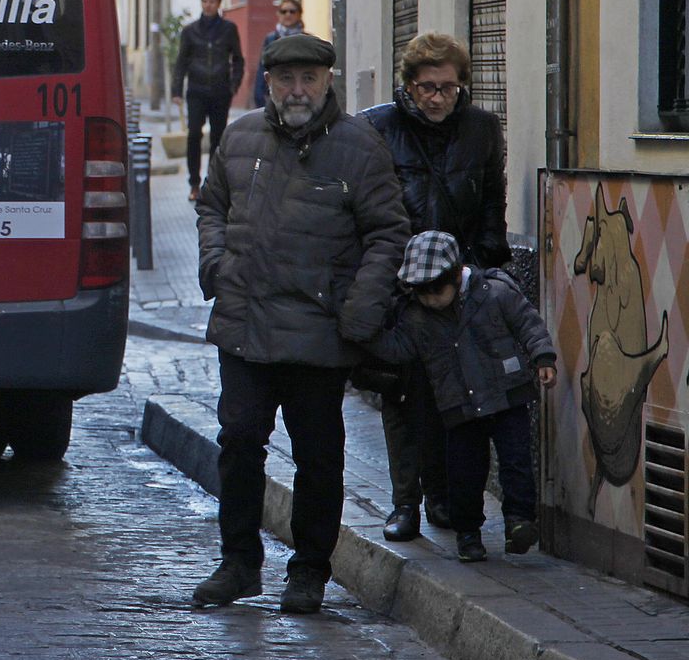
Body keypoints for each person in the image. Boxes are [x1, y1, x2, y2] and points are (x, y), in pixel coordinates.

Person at [192, 33, 411, 614]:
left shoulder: (359, 147)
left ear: (327, 82)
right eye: (285, 79)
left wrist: (361, 308)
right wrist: (215, 263)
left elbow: (389, 232)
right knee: (239, 443)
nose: (297, 90)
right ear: (268, 82)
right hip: (245, 323)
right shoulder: (240, 138)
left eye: (308, 79)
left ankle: (310, 571)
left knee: (319, 455)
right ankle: (238, 563)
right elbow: (211, 204)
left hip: (320, 331)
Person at [361, 32, 510, 544]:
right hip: (402, 286)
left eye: (448, 88)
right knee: (404, 396)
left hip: (459, 284)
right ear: (408, 85)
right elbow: (363, 205)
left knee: (459, 394)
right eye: (427, 87)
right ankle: (404, 502)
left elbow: (492, 200)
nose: (437, 98)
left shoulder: (482, 129)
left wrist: (485, 264)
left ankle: (443, 498)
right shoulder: (379, 127)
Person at [362, 231, 556, 563]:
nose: (429, 298)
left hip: (506, 394)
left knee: (516, 461)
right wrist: (364, 334)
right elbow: (400, 349)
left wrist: (543, 357)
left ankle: (520, 520)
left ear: (455, 274)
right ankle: (468, 534)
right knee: (464, 473)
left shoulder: (494, 292)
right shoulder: (417, 315)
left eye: (436, 289)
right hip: (459, 407)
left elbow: (528, 323)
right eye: (420, 291)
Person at [171, 0, 245, 201]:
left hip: (221, 90)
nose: (209, 5)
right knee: (194, 134)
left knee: (218, 137)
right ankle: (194, 183)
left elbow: (238, 58)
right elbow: (181, 61)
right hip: (196, 89)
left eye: (212, 1)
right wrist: (177, 90)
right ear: (201, 3)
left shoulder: (228, 29)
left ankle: (212, 183)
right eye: (205, 1)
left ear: (219, 4)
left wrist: (234, 84)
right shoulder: (190, 30)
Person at [250, 0, 305, 109]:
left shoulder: (306, 39)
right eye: (283, 11)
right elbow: (263, 67)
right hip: (275, 93)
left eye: (292, 11)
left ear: (299, 14)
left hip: (301, 92)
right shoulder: (271, 39)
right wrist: (259, 95)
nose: (288, 14)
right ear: (278, 14)